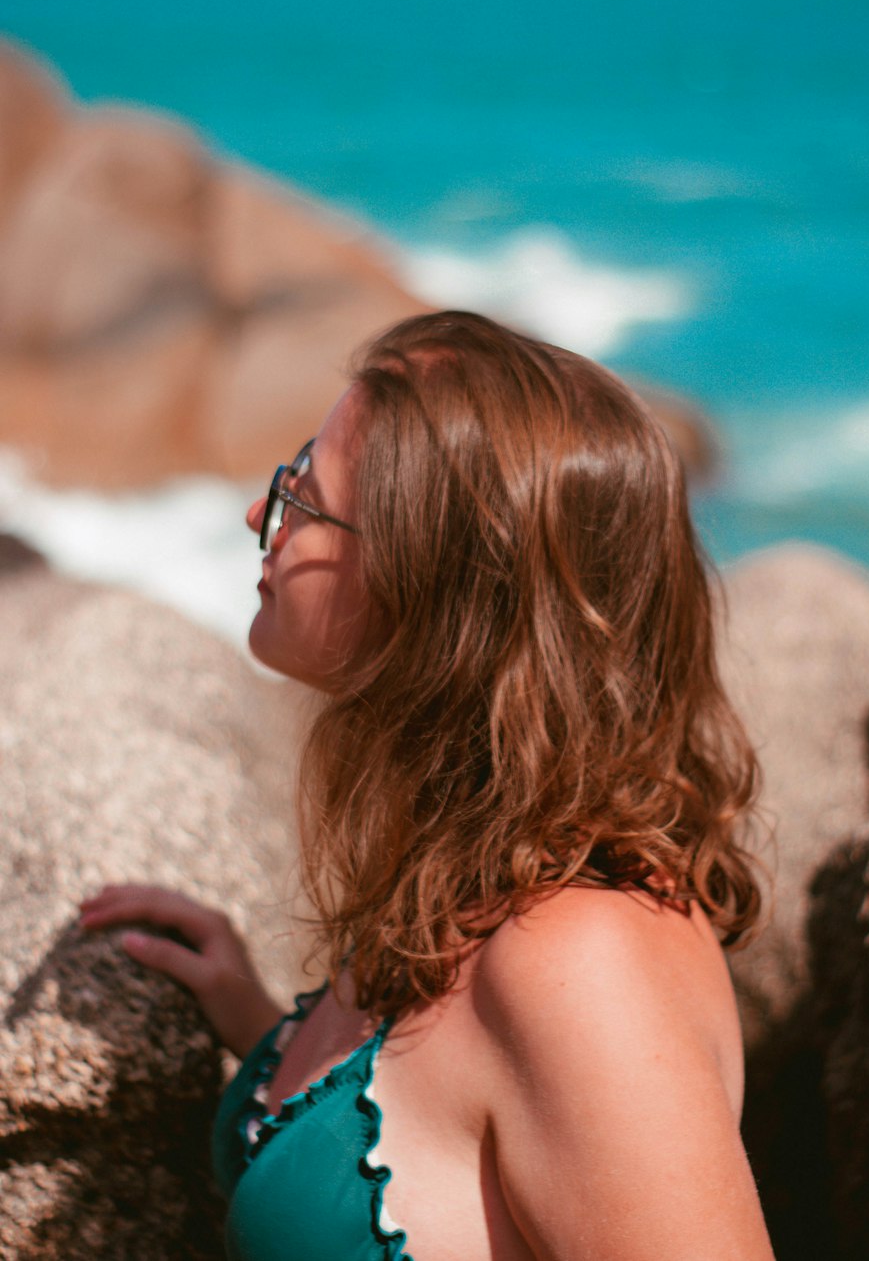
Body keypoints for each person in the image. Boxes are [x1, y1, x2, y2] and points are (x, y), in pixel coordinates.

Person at [79, 310, 775, 1261]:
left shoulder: (577, 963)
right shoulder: (469, 863)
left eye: (308, 500)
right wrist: (266, 1032)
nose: (260, 516)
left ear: (435, 588)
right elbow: (446, 1122)